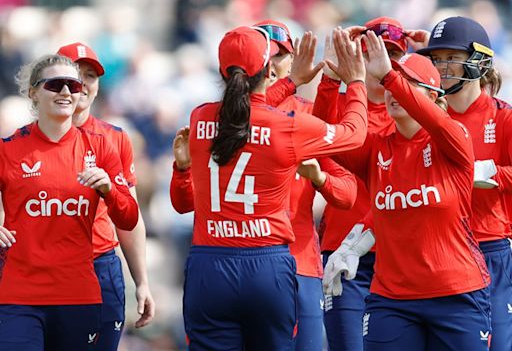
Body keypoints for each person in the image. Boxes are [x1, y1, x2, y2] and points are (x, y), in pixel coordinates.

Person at [172, 20, 361, 351]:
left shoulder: (203, 117)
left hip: (262, 264)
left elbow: (345, 194)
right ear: (268, 71)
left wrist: (319, 178)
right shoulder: (293, 125)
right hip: (270, 264)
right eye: (269, 55)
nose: (275, 62)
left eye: (281, 53)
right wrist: (350, 81)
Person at [316, 30, 491, 350]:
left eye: (410, 84)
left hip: (456, 295)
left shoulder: (454, 140)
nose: (394, 89)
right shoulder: (374, 150)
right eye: (391, 84)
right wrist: (334, 81)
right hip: (391, 300)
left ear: (436, 98)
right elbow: (323, 139)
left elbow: (437, 123)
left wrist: (388, 76)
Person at [0, 54, 138, 351]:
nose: (66, 92)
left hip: (78, 295)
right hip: (20, 296)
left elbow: (128, 218)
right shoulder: (8, 149)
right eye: (55, 84)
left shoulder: (101, 147)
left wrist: (109, 190)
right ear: (33, 92)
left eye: (73, 86)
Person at [417, 16, 512, 351]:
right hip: (435, 254)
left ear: (477, 62)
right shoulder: (423, 123)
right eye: (437, 59)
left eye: (451, 59)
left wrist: (490, 174)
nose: (441, 68)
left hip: (489, 248)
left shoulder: (503, 117)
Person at [315, 17, 409, 351]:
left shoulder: (410, 113)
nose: (384, 62)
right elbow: (319, 140)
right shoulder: (341, 106)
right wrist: (330, 77)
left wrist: (436, 55)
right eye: (371, 52)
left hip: (396, 256)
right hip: (344, 249)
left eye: (394, 55)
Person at [57, 42, 155, 350]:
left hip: (101, 266)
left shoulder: (114, 139)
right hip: (48, 268)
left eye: (91, 76)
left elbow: (129, 216)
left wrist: (141, 281)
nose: (83, 84)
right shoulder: (23, 141)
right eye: (74, 74)